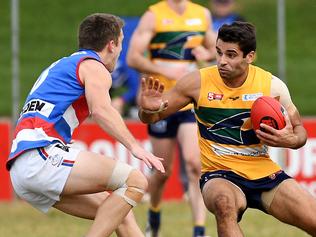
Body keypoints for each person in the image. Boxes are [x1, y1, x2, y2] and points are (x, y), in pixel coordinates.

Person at [138, 21, 316, 237]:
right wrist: (146, 109)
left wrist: (290, 140)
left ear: (249, 56)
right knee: (224, 205)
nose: (222, 61)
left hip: (264, 173)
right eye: (219, 53)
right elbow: (152, 117)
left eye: (231, 55)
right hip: (219, 175)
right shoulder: (197, 83)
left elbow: (300, 133)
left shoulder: (271, 86)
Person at [7, 13, 165, 237]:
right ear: (111, 45)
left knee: (118, 212)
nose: (120, 50)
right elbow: (101, 110)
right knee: (135, 181)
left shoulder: (65, 64)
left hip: (23, 166)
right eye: (120, 43)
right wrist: (135, 147)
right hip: (41, 155)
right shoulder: (93, 66)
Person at [127, 1, 216, 236]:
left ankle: (199, 230)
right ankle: (154, 214)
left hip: (189, 101)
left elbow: (219, 51)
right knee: (162, 171)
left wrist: (207, 54)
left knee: (195, 164)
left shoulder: (202, 14)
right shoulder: (153, 15)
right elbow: (133, 58)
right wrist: (166, 72)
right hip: (161, 102)